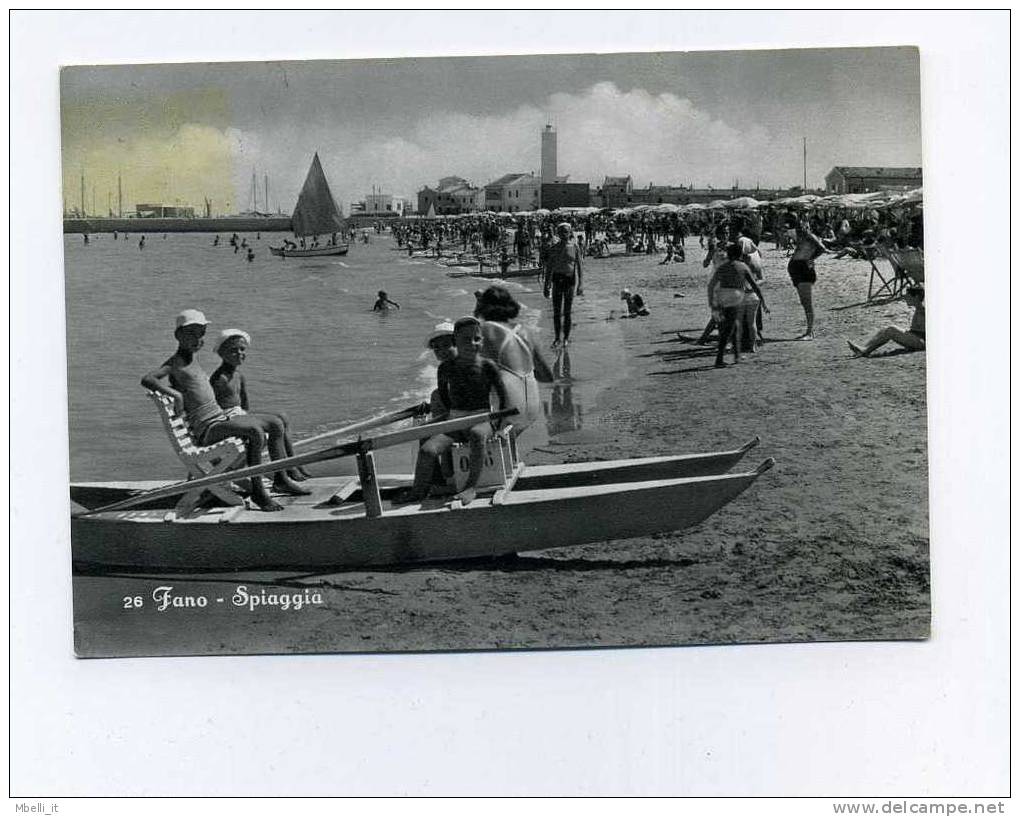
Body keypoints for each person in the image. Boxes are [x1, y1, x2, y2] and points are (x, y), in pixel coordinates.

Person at [140, 310, 309, 512]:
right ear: (178, 335)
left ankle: (280, 478)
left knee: (276, 423)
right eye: (191, 334)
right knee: (255, 431)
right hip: (208, 429)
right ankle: (258, 492)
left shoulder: (192, 359)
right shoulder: (176, 363)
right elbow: (148, 379)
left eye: (201, 333)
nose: (197, 339)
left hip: (218, 419)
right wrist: (176, 395)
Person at [397, 316, 508, 506]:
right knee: (427, 450)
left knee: (475, 434)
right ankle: (419, 490)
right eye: (436, 348)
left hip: (481, 419)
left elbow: (503, 399)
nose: (440, 351)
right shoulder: (445, 369)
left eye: (445, 345)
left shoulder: (486, 366)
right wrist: (449, 417)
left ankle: (471, 486)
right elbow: (445, 397)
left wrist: (497, 426)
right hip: (456, 421)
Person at [208, 329, 311, 482]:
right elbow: (213, 409)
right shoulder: (219, 379)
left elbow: (245, 405)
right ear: (221, 353)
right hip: (228, 420)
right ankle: (283, 472)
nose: (239, 353)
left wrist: (250, 417)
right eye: (233, 350)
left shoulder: (238, 375)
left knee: (282, 417)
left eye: (242, 349)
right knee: (275, 423)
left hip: (239, 414)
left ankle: (292, 464)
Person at [474, 285, 553, 434]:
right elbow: (546, 376)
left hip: (509, 408)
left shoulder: (486, 330)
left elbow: (469, 367)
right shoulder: (527, 332)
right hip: (532, 407)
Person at [709, 244, 767, 368]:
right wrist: (762, 300)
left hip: (722, 297)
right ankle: (719, 359)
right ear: (740, 254)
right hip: (735, 297)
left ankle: (736, 356)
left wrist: (712, 302)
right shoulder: (743, 266)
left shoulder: (722, 267)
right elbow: (754, 285)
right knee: (729, 329)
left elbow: (712, 285)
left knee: (734, 326)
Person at [848, 286, 926, 357]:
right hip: (916, 338)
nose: (906, 298)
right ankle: (864, 348)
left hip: (920, 342)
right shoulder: (919, 309)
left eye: (908, 296)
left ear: (916, 297)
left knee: (891, 330)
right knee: (885, 329)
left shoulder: (924, 311)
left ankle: (865, 350)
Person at [543, 222, 584, 347]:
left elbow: (580, 267)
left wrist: (580, 284)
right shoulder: (554, 248)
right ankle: (557, 338)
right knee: (556, 311)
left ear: (570, 232)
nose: (564, 234)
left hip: (569, 280)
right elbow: (549, 267)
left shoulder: (575, 247)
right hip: (557, 279)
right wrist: (547, 285)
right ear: (558, 233)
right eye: (561, 232)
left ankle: (566, 337)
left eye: (566, 231)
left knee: (567, 311)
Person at [788, 221, 827, 340]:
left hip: (804, 270)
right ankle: (809, 331)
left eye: (802, 227)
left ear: (807, 227)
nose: (799, 229)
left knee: (807, 302)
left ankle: (810, 332)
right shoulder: (802, 238)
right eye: (798, 227)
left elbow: (822, 248)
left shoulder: (810, 236)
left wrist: (811, 258)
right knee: (804, 302)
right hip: (798, 269)